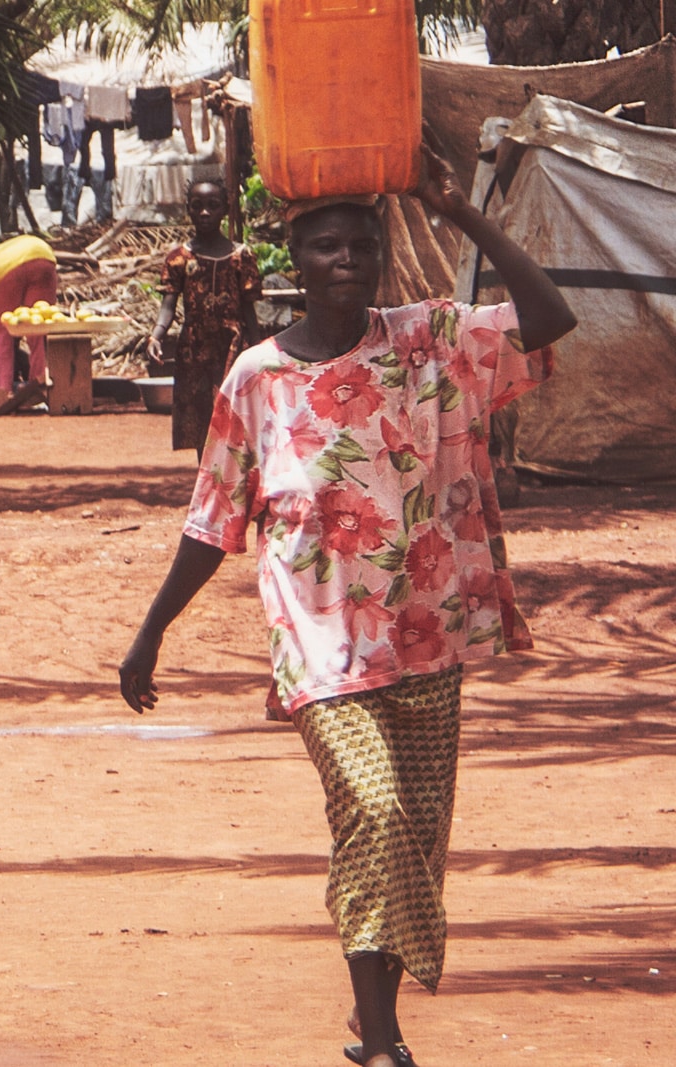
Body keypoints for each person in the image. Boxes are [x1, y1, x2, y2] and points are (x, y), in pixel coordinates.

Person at [119, 155, 576, 1067]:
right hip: (319, 645)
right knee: (373, 807)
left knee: (414, 835)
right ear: (294, 259)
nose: (347, 260)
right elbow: (214, 521)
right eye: (327, 246)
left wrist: (458, 212)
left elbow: (550, 318)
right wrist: (150, 632)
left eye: (363, 246)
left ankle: (373, 1020)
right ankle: (386, 1037)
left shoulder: (429, 341)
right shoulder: (256, 379)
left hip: (427, 634)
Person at [151, 180, 262, 455]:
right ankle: (206, 477)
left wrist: (260, 349)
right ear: (188, 209)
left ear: (225, 209)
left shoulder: (241, 256)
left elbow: (249, 310)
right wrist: (156, 336)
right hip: (194, 349)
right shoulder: (179, 258)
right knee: (202, 417)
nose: (204, 213)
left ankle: (233, 476)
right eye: (197, 206)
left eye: (212, 206)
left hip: (232, 346)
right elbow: (168, 304)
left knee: (232, 411)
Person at [0, 233, 60, 403]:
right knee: (40, 329)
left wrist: (12, 342)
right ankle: (42, 388)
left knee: (0, 338)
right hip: (42, 253)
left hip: (0, 271)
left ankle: (0, 395)